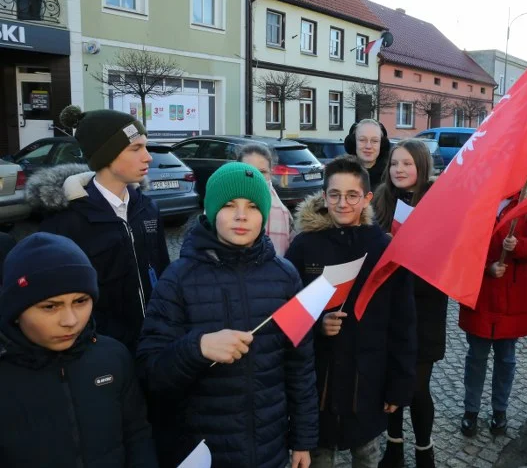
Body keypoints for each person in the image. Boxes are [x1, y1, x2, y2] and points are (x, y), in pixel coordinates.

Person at [136, 162, 318, 468]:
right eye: (229, 205)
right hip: (204, 451)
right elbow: (150, 372)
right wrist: (198, 348)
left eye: (252, 206)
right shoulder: (178, 279)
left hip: (270, 450)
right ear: (209, 211)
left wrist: (303, 439)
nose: (242, 215)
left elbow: (300, 366)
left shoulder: (286, 276)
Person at [285, 155, 416, 468]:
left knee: (368, 456)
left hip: (368, 383)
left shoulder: (385, 249)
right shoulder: (304, 246)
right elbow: (287, 311)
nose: (343, 203)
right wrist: (318, 324)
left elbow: (404, 322)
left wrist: (399, 385)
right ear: (324, 196)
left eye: (352, 195)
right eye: (335, 195)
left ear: (367, 198)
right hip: (320, 386)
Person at [0, 232, 157, 467]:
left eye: (81, 301)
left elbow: (137, 434)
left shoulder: (113, 356)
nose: (70, 320)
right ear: (16, 309)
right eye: (50, 306)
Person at [26, 105, 170, 354]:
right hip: (101, 351)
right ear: (106, 155)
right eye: (136, 148)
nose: (148, 157)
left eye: (146, 147)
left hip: (155, 341)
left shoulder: (148, 208)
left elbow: (163, 271)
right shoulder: (66, 221)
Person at [371, 140, 446, 468]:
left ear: (422, 167)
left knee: (416, 386)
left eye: (407, 164)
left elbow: (445, 257)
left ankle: (424, 450)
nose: (399, 170)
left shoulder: (439, 202)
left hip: (425, 307)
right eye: (394, 164)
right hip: (388, 308)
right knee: (392, 379)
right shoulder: (380, 199)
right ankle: (394, 446)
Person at [458, 192, 527, 437]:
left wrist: (519, 245)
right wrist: (488, 266)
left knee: (506, 359)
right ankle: (471, 410)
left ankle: (500, 410)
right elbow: (465, 245)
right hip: (482, 294)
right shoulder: (478, 200)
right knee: (477, 357)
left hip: (511, 298)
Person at [237, 143, 295, 256]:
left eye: (262, 172)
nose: (257, 177)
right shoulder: (222, 205)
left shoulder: (284, 213)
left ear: (270, 173)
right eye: (249, 171)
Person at [344, 119, 391, 192]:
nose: (368, 146)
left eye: (375, 141)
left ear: (382, 144)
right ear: (353, 142)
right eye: (362, 140)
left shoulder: (392, 177)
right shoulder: (339, 174)